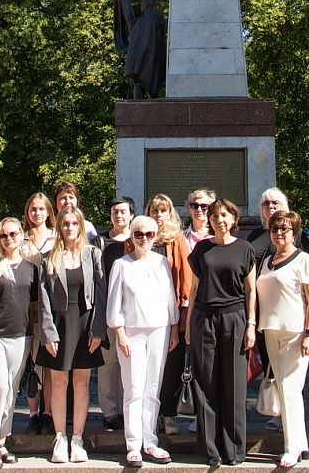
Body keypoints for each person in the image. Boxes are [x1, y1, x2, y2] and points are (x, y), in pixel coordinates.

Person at [186, 198, 256, 466]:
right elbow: (193, 290)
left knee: (234, 385)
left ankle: (234, 450)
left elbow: (251, 291)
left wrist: (251, 325)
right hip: (204, 319)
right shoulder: (202, 250)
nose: (219, 220)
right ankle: (210, 450)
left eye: (224, 216)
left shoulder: (245, 249)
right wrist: (189, 326)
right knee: (205, 385)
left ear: (233, 219)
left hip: (235, 318)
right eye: (214, 216)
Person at [107, 215, 179, 466]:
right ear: (132, 237)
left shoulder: (162, 263)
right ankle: (133, 443)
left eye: (149, 234)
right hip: (132, 332)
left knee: (152, 389)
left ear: (155, 236)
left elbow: (170, 298)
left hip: (159, 330)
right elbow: (114, 303)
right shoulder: (121, 265)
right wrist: (120, 333)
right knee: (134, 389)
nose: (145, 239)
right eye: (139, 234)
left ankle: (150, 441)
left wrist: (175, 328)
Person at [37, 206, 106, 464]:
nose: (69, 228)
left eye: (73, 224)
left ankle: (77, 438)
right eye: (64, 224)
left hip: (86, 323)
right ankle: (59, 437)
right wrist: (47, 332)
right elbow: (43, 299)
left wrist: (98, 329)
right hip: (58, 324)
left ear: (80, 226)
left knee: (81, 383)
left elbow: (102, 293)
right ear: (59, 227)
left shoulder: (92, 254)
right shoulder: (48, 257)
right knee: (58, 383)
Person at [255, 211, 309, 468]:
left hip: (295, 331)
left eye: (285, 229)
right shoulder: (267, 260)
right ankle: (301, 443)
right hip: (270, 329)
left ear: (294, 232)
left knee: (290, 388)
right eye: (275, 229)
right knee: (283, 387)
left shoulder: (303, 259)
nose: (279, 233)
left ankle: (291, 448)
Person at [0, 217, 38, 469]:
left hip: (21, 336)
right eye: (4, 235)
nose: (9, 238)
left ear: (21, 235)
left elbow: (34, 307)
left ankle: (3, 440)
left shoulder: (31, 268)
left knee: (12, 390)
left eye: (13, 234)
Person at [145, 194, 193, 437]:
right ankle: (150, 416)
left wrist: (183, 310)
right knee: (150, 367)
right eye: (154, 210)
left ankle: (168, 413)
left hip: (170, 311)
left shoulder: (177, 240)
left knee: (172, 366)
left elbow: (185, 276)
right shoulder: (141, 238)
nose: (158, 215)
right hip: (144, 313)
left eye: (163, 210)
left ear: (170, 213)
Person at [99, 197, 136, 431]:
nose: (119, 216)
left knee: (129, 362)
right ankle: (109, 411)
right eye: (115, 212)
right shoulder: (100, 243)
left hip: (133, 312)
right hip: (107, 310)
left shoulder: (139, 240)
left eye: (123, 211)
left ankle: (127, 409)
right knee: (108, 363)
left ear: (131, 215)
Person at [23, 191, 57, 435]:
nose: (37, 213)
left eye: (41, 209)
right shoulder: (21, 239)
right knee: (32, 362)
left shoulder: (56, 239)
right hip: (26, 307)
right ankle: (33, 413)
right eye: (33, 209)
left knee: (51, 363)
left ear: (48, 212)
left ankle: (49, 413)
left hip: (52, 308)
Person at [183, 188, 216, 253]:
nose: (199, 209)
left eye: (204, 206)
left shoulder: (217, 236)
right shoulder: (181, 237)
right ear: (189, 209)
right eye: (195, 206)